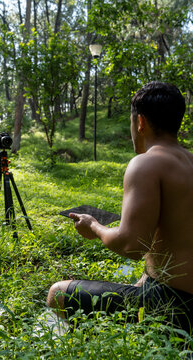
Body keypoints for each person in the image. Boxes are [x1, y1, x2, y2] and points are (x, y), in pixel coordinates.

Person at [47, 81, 193, 333]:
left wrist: (93, 226)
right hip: (180, 295)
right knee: (138, 284)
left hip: (174, 306)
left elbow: (131, 245)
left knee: (57, 292)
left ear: (141, 122)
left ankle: (57, 347)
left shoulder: (146, 163)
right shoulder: (188, 161)